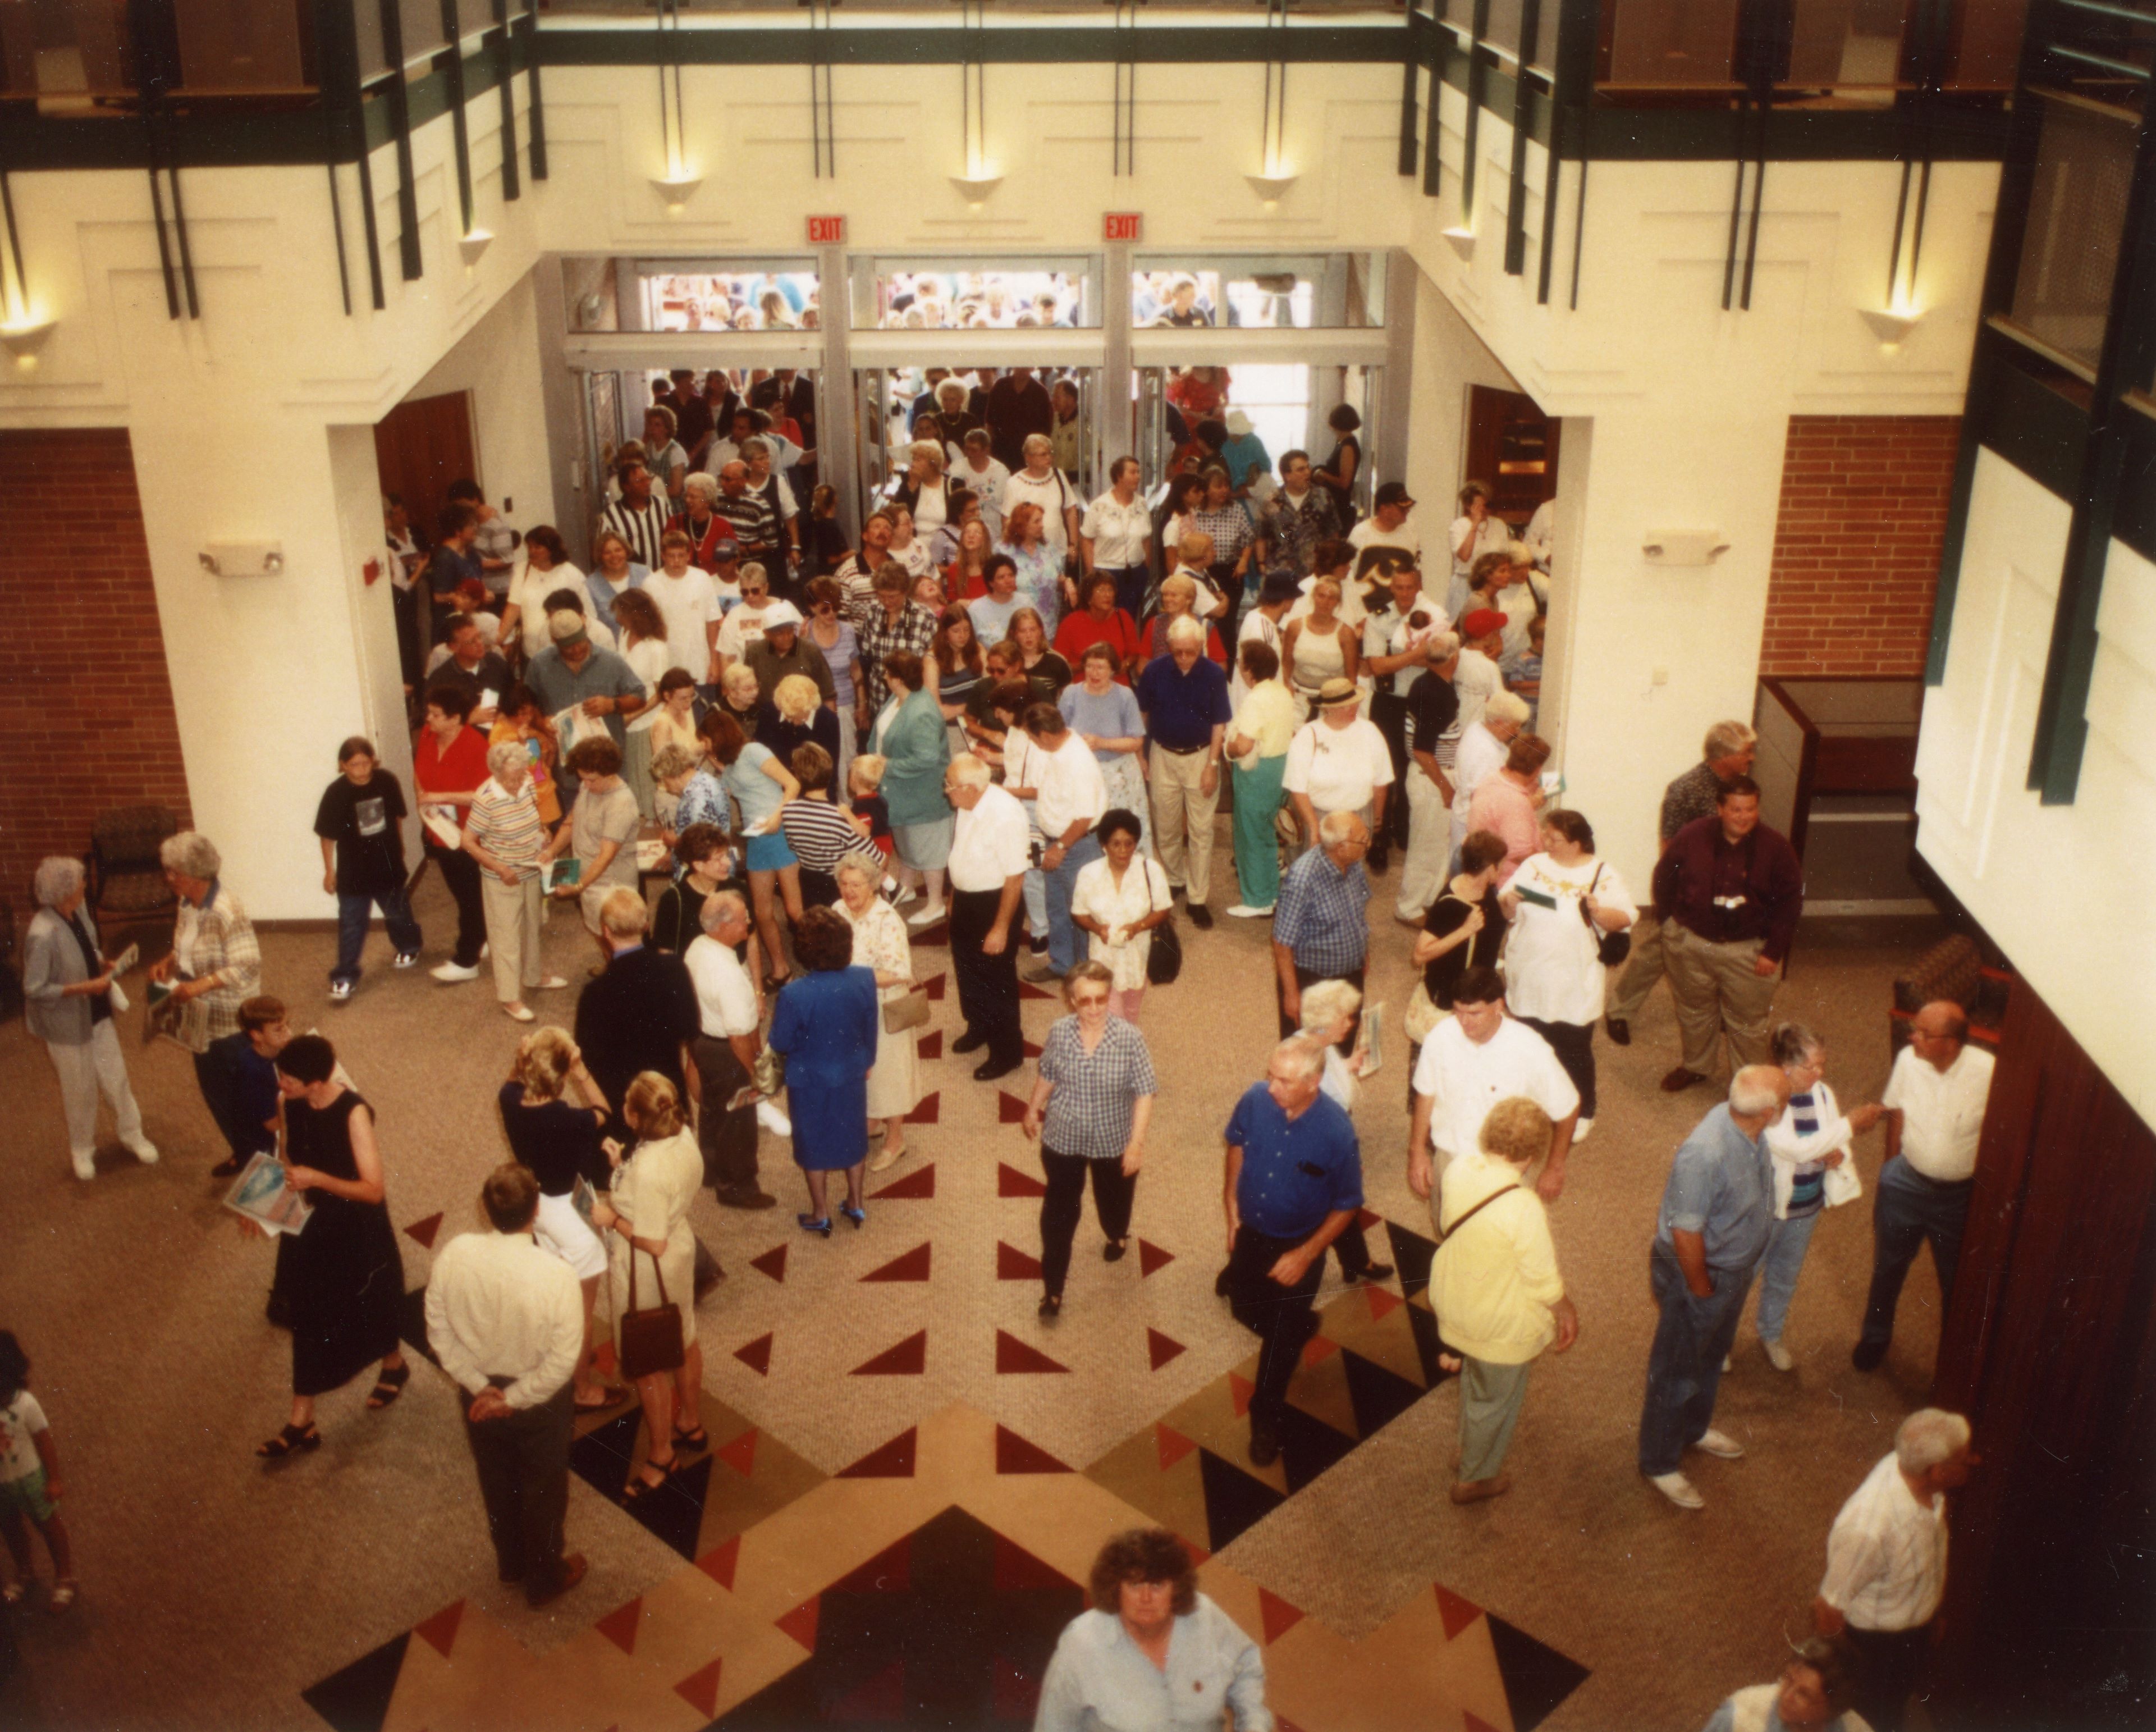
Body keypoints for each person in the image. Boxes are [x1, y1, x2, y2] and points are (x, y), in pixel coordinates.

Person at [424, 1164, 590, 1608]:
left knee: (496, 1476)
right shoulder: (557, 1274)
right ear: (536, 1210)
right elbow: (561, 1362)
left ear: (485, 1208)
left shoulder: (453, 1254)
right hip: (539, 1399)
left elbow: (439, 1334)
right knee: (544, 1486)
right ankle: (544, 1575)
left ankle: (511, 1563)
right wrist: (512, 1399)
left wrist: (482, 1389)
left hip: (477, 1394)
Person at [1638, 1065, 1791, 1511]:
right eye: (1783, 1100)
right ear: (1767, 1112)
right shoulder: (1704, 1153)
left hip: (1729, 1271)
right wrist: (1702, 1288)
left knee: (1708, 1355)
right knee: (1676, 1367)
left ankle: (1692, 1429)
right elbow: (1685, 1233)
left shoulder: (1747, 1126)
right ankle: (1659, 1461)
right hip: (1700, 1273)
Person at [253, 1034, 410, 1459]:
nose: (280, 1083)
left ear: (316, 1082)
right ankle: (301, 1418)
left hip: (357, 1222)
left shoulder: (354, 1112)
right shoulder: (290, 1104)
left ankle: (394, 1363)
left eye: (288, 1078)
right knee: (307, 1312)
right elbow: (288, 1159)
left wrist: (316, 1179)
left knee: (371, 1298)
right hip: (314, 1221)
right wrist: (260, 1202)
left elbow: (373, 1190)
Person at [1222, 1038, 1364, 1467]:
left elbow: (1347, 1202)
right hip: (1251, 1230)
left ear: (1312, 1082)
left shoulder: (1337, 1130)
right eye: (1270, 1074)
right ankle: (1298, 1324)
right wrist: (1230, 1208)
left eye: (1282, 1081)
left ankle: (1265, 1413)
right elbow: (1236, 1143)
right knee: (1241, 1306)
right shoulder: (1254, 1098)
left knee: (1279, 1343)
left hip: (1300, 1244)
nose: (1270, 1087)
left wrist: (1306, 1253)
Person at [1431, 1097, 1580, 1505]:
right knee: (1496, 1398)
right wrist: (1565, 1309)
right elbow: (1542, 1278)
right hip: (1496, 1323)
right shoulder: (1523, 1205)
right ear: (1533, 1155)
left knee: (1474, 1383)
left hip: (1455, 1300)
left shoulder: (1460, 1167)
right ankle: (1474, 1478)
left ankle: (1466, 1449)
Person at [1814, 1407, 1978, 1732]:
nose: (1975, 1461)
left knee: (1897, 1698)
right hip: (1876, 1648)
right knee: (1872, 1716)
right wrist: (1846, 1669)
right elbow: (1827, 1609)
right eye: (1964, 1459)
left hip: (1912, 1630)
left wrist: (1930, 1613)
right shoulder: (1869, 1527)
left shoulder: (1921, 1482)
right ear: (1937, 1471)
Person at [1853, 1000, 1995, 1373]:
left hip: (1958, 1198)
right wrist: (1888, 1168)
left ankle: (1952, 1362)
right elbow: (1896, 1111)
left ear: (1949, 1042)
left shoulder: (1989, 1071)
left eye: (1922, 1032)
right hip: (1904, 1184)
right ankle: (1875, 1336)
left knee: (1955, 1282)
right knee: (1887, 1267)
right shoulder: (1908, 1060)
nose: (1911, 1036)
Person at [1606, 721, 1760, 1046]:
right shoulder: (1686, 788)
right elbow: (1669, 848)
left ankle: (1715, 1014)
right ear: (1725, 755)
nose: (1752, 758)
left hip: (1727, 889)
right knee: (1658, 952)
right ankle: (1619, 1011)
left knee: (1716, 955)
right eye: (1747, 752)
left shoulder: (1740, 786)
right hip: (1690, 891)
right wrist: (1674, 898)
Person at [1020, 959, 1159, 1319]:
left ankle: (1116, 1234)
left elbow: (1145, 1092)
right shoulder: (1060, 1032)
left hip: (1114, 1140)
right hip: (1064, 1138)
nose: (1095, 1009)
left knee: (1114, 1201)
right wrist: (1033, 1108)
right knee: (1059, 1214)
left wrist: (1137, 1144)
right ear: (1071, 1000)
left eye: (1101, 999)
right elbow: (1049, 1073)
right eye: (1086, 1001)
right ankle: (1053, 1290)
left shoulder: (1130, 1039)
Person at [591, 1073, 707, 1500]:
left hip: (646, 1265)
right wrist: (621, 1167)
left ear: (638, 1116)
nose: (622, 1107)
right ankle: (689, 1423)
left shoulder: (651, 1170)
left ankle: (660, 1455)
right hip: (680, 1250)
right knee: (684, 1337)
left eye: (627, 1104)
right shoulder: (684, 1137)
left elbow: (650, 1240)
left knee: (647, 1360)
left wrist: (611, 1219)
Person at [1652, 775, 1806, 1093]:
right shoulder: (1693, 836)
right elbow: (1664, 876)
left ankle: (1747, 1082)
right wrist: (1669, 924)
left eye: (1750, 809)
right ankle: (1696, 1066)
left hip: (1748, 953)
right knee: (1694, 1011)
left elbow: (1790, 904)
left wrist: (1773, 952)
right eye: (1736, 809)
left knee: (1748, 1023)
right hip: (1691, 946)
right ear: (1720, 808)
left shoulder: (1776, 848)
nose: (1743, 816)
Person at [1035, 1527, 1271, 1732]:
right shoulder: (1081, 1643)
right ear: (1116, 1588)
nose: (1145, 1598)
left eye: (1157, 1585)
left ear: (1177, 1589)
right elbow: (1054, 1725)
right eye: (1135, 1584)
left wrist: (1253, 1724)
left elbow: (1246, 1667)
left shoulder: (1205, 1617)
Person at [495, 1030, 618, 1409]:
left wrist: (524, 1058)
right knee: (579, 1315)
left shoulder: (509, 1098)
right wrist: (582, 1071)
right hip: (571, 1212)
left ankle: (559, 1359)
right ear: (561, 1076)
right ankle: (581, 1390)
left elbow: (514, 1080)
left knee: (555, 1290)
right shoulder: (570, 1118)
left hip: (539, 1206)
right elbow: (604, 1111)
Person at [1498, 809, 1636, 1138]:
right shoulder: (1533, 865)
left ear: (1576, 843)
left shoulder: (1603, 874)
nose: (1545, 842)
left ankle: (1583, 1109)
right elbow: (1507, 910)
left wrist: (1598, 911)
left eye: (1553, 838)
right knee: (1529, 1041)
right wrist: (1509, 902)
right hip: (1530, 973)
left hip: (1573, 979)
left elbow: (1626, 919)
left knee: (1573, 1048)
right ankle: (1532, 1102)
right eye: (1545, 834)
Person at [1751, 1022, 1882, 1370]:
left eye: (1822, 1064)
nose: (1819, 1072)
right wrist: (1850, 1126)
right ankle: (1716, 1344)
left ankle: (1771, 1332)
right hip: (1768, 1207)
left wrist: (1839, 1154)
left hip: (1806, 1206)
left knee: (1785, 1274)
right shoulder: (1769, 1097)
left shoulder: (1822, 1092)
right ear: (1786, 1067)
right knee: (1743, 1275)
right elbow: (1792, 1149)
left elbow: (1830, 1137)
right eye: (1811, 1066)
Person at [25, 856, 157, 1182]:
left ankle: (132, 1133)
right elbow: (35, 988)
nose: (86, 884)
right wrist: (86, 986)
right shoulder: (42, 934)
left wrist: (104, 962)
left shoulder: (79, 910)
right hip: (67, 1026)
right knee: (79, 1090)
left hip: (97, 1014)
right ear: (65, 891)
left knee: (117, 1079)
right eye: (81, 881)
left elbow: (88, 950)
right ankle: (82, 1150)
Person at [1407, 966, 1580, 1200]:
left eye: (1475, 1014)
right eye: (1458, 1012)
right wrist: (1417, 1152)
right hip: (1449, 1157)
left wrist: (1555, 1167)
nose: (1464, 1023)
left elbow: (1568, 1107)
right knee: (1446, 1228)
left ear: (1499, 1006)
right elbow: (1426, 1095)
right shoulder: (1440, 1037)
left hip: (1505, 1169)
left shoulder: (1530, 1048)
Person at [152, 830, 263, 1177]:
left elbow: (247, 965)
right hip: (199, 1015)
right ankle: (244, 1153)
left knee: (242, 1096)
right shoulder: (187, 904)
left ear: (194, 874)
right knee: (215, 1093)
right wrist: (170, 960)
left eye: (173, 872)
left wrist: (200, 985)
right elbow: (188, 944)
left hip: (229, 1019)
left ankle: (261, 1159)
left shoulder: (226, 910)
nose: (168, 879)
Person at [767, 906, 881, 1235]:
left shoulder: (793, 994)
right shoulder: (864, 978)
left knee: (812, 1142)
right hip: (852, 1071)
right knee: (854, 1135)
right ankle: (856, 1202)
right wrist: (868, 1060)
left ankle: (821, 1212)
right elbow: (869, 1024)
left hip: (809, 1080)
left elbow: (780, 1040)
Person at [572, 890, 701, 1143]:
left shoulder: (594, 992)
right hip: (667, 1086)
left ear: (606, 931)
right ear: (645, 925)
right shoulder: (674, 968)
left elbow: (586, 1056)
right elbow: (690, 1027)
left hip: (622, 1100)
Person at [1137, 615, 1232, 929]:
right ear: (1169, 647)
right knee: (1165, 825)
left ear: (1201, 647)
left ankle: (1198, 898)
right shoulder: (1154, 670)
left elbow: (1220, 723)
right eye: (1178, 652)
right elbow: (1143, 714)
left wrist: (1213, 765)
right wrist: (1142, 754)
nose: (1184, 659)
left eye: (1190, 652)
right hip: (1163, 753)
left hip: (1200, 756)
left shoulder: (1214, 675)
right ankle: (1176, 878)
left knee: (1202, 830)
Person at [463, 739, 567, 1021]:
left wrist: (544, 835)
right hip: (504, 877)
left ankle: (533, 977)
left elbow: (535, 819)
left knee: (533, 926)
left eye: (521, 775)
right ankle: (510, 997)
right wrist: (498, 867)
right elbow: (468, 841)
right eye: (511, 778)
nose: (517, 782)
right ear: (496, 773)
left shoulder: (527, 783)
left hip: (531, 868)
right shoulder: (486, 798)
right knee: (506, 936)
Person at [684, 892, 776, 1210]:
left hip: (702, 1042)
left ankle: (711, 1170)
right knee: (739, 1122)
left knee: (712, 1109)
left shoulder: (698, 947)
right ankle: (738, 1186)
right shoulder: (726, 976)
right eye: (742, 919)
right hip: (727, 1052)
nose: (748, 922)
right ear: (722, 926)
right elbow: (740, 1037)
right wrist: (755, 1074)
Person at [943, 753, 1030, 1081]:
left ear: (969, 787)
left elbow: (1015, 878)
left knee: (997, 980)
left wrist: (1001, 928)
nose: (946, 790)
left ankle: (1008, 1052)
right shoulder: (968, 802)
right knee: (966, 967)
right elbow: (961, 852)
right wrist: (954, 894)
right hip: (967, 898)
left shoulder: (1005, 814)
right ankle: (978, 1025)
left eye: (949, 785)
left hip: (995, 904)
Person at [834, 855, 922, 1173]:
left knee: (888, 1074)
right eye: (844, 883)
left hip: (884, 1007)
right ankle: (871, 1121)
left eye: (856, 884)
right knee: (860, 1071)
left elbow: (900, 972)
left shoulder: (887, 919)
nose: (849, 891)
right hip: (849, 1007)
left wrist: (849, 978)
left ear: (873, 885)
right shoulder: (839, 910)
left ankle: (895, 1139)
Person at [709, 708, 804, 985]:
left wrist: (778, 816)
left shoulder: (753, 751)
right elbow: (730, 788)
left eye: (706, 740)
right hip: (757, 839)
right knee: (761, 913)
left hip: (780, 831)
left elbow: (792, 784)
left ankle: (829, 964)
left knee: (794, 910)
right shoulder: (728, 769)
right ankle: (780, 969)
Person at [1020, 703, 1109, 979]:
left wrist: (1060, 847)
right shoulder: (1059, 746)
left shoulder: (1077, 762)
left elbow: (1084, 817)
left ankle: (1086, 971)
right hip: (1057, 841)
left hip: (1076, 845)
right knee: (1057, 906)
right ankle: (1062, 963)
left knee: (1082, 911)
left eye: (1034, 738)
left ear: (1045, 734)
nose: (1033, 743)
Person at [410, 685, 492, 984]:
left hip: (470, 833)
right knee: (464, 893)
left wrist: (437, 797)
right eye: (428, 713)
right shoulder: (428, 737)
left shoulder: (476, 745)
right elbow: (419, 772)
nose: (428, 719)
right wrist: (424, 797)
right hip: (440, 830)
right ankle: (485, 938)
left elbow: (482, 796)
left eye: (435, 715)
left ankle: (467, 959)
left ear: (456, 718)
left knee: (469, 896)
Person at [870, 649, 954, 928]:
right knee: (906, 841)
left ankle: (935, 903)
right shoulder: (898, 698)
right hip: (900, 792)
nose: (883, 677)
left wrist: (886, 765)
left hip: (924, 794)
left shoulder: (922, 711)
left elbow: (928, 758)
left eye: (887, 673)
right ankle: (904, 888)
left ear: (898, 679)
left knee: (928, 849)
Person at [1271, 810, 1372, 1041]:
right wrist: (1291, 994)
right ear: (1341, 847)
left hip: (1350, 975)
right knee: (1308, 1052)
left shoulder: (1353, 864)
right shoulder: (1302, 880)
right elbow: (1281, 943)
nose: (1367, 843)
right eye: (1362, 840)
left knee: (1344, 1042)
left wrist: (1363, 952)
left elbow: (1357, 912)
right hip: (1312, 982)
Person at [1068, 810, 1174, 1022]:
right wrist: (1098, 929)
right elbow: (1079, 914)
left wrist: (1138, 926)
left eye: (1129, 843)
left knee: (1132, 1010)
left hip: (1138, 956)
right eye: (1116, 844)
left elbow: (1164, 908)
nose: (1124, 851)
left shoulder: (1150, 870)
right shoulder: (1089, 874)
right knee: (1112, 1013)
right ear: (1103, 845)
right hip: (1103, 957)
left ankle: (1126, 1045)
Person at [542, 735, 643, 951]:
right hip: (590, 879)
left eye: (592, 780)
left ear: (610, 773)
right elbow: (571, 822)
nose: (585, 785)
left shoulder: (621, 803)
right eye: (582, 779)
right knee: (599, 932)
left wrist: (579, 887)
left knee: (616, 940)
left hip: (611, 886)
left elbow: (606, 855)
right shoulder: (589, 787)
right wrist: (551, 852)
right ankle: (611, 969)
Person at [0, 1332, 76, 1611]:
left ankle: (65, 1576)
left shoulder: (26, 1404)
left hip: (31, 1477)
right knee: (10, 1528)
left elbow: (44, 1440)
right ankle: (24, 1571)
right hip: (2, 1484)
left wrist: (54, 1479)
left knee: (48, 1525)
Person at [1283, 677, 1394, 861]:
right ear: (1327, 708)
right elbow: (1297, 788)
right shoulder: (1307, 735)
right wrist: (1313, 828)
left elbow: (1381, 781)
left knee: (1351, 877)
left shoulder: (1370, 731)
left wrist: (1377, 821)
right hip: (1317, 818)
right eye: (1344, 706)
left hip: (1359, 817)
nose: (1353, 708)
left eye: (1354, 703)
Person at [1394, 630, 1464, 922]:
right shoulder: (1437, 694)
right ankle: (1409, 909)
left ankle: (1427, 902)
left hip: (1429, 777)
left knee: (1437, 846)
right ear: (1455, 658)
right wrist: (1446, 788)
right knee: (1426, 848)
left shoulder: (1428, 683)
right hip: (1430, 779)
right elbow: (1423, 750)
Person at [1225, 640, 1296, 919]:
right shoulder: (1282, 692)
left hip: (1256, 772)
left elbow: (1242, 746)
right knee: (1267, 833)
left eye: (1241, 662)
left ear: (1248, 669)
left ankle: (1258, 900)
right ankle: (1270, 891)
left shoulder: (1256, 699)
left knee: (1250, 835)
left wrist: (1227, 749)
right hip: (1279, 767)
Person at [1413, 831, 1508, 1022]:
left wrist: (1508, 906)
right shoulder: (1450, 905)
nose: (1504, 869)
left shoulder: (1486, 889)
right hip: (1453, 995)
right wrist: (1465, 931)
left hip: (1478, 987)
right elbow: (1419, 956)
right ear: (1490, 869)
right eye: (1502, 864)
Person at [523, 609, 648, 752]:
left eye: (580, 642)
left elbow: (640, 696)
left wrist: (612, 705)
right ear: (554, 641)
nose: (576, 650)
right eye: (568, 647)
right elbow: (526, 705)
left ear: (585, 630)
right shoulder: (540, 664)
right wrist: (540, 723)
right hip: (563, 762)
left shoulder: (611, 661)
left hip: (606, 758)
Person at [1699, 1638, 1870, 1732]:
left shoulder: (1856, 1729)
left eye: (1804, 1694)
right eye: (1788, 1679)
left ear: (1833, 1710)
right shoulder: (1739, 1718)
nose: (1786, 1696)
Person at [778, 743, 868, 909]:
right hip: (838, 883)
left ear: (798, 777)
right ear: (830, 774)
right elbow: (872, 857)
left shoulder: (788, 811)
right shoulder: (839, 816)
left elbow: (792, 846)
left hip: (808, 880)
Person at [1449, 689, 1528, 867]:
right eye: (1515, 726)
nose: (1517, 731)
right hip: (1475, 826)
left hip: (1465, 816)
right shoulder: (1485, 753)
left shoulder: (1478, 727)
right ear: (1500, 723)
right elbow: (1480, 799)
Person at [1081, 456, 1154, 623]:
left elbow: (1147, 539)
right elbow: (1087, 540)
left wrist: (1145, 567)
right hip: (1106, 573)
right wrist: (1092, 574)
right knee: (1106, 621)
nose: (1138, 476)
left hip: (1135, 573)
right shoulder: (1099, 505)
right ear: (1119, 476)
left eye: (1139, 472)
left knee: (1129, 620)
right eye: (1133, 472)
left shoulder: (1142, 504)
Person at [1280, 576, 1358, 721]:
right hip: (1298, 700)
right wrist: (1287, 687)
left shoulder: (1346, 633)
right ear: (1314, 596)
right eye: (1321, 596)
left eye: (1332, 598)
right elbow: (1286, 665)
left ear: (1338, 602)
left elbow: (1351, 678)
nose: (1325, 602)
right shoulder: (1295, 627)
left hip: (1331, 703)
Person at [1257, 450, 1343, 578]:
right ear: (1288, 476)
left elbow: (1334, 533)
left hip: (1314, 572)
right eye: (1301, 470)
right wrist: (1261, 564)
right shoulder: (1271, 500)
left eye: (1308, 467)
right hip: (1279, 572)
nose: (1308, 472)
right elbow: (1261, 535)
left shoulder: (1323, 496)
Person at [1055, 570, 1142, 676]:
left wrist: (1123, 665)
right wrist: (1085, 666)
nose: (1108, 595)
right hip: (1083, 686)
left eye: (1110, 590)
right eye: (1101, 590)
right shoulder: (1070, 623)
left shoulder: (1123, 617)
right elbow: (1058, 665)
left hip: (1116, 683)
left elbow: (1134, 654)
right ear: (1089, 598)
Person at [1448, 481, 1509, 618]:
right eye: (1481, 505)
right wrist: (1475, 525)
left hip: (1490, 586)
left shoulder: (1499, 525)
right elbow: (1464, 556)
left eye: (1488, 505)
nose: (1486, 509)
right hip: (1465, 584)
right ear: (1469, 506)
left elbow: (1504, 558)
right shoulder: (1458, 526)